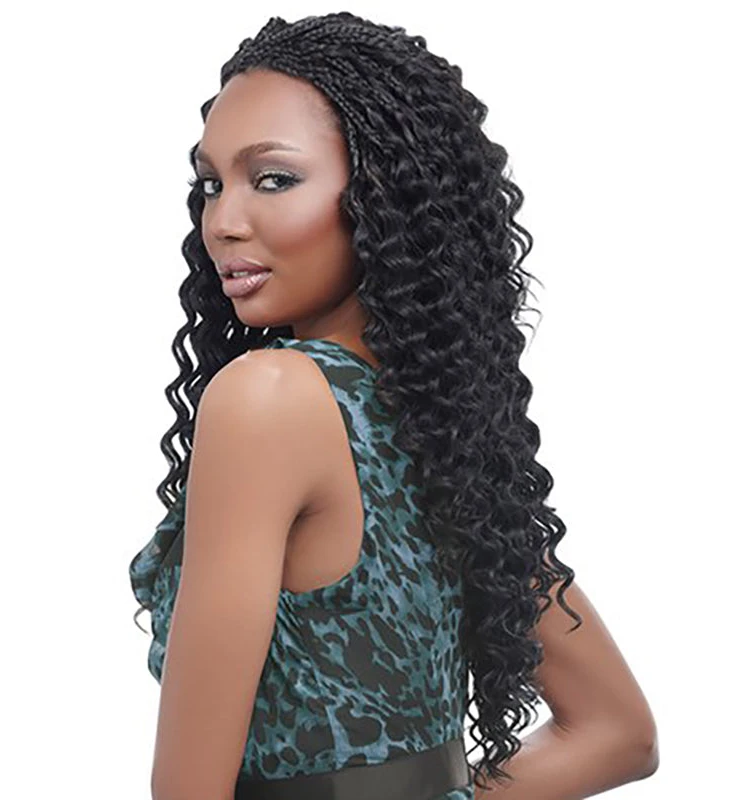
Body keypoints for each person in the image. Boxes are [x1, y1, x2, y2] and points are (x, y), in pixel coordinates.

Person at [129, 12, 659, 800]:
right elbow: (617, 731)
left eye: (272, 179)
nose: (222, 222)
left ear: (385, 194)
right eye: (211, 184)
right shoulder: (445, 427)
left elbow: (187, 792)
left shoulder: (266, 400)